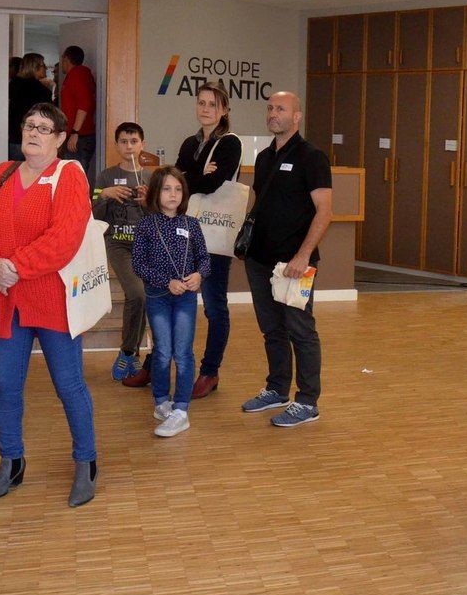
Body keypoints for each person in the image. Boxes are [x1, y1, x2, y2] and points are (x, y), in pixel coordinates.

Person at [0, 102, 98, 508]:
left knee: (69, 385)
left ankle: (86, 462)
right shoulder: (1, 174)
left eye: (44, 128)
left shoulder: (69, 175)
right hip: (5, 303)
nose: (34, 132)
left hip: (51, 300)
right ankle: (11, 461)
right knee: (4, 385)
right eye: (29, 125)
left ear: (60, 139)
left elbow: (64, 239)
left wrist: (14, 267)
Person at [240, 91, 332, 428]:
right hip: (259, 260)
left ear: (297, 117)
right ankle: (277, 388)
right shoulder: (264, 158)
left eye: (280, 108)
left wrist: (303, 254)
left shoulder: (312, 157)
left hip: (296, 263)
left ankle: (307, 401)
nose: (273, 113)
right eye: (269, 108)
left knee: (300, 330)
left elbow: (325, 211)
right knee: (272, 330)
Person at [174, 80, 243, 400]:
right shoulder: (190, 142)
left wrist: (193, 177)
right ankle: (163, 363)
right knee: (172, 299)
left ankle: (209, 371)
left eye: (212, 104)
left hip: (215, 236)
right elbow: (175, 183)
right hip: (184, 230)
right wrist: (198, 175)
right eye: (201, 103)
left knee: (214, 307)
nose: (205, 109)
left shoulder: (230, 143)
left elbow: (215, 184)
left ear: (224, 109)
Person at [131, 166, 211, 437]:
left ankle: (181, 410)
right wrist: (167, 282)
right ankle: (162, 402)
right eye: (167, 188)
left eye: (178, 189)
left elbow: (204, 259)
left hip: (186, 298)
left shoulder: (192, 224)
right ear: (156, 192)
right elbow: (138, 264)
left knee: (184, 353)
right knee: (163, 352)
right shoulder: (146, 225)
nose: (173, 194)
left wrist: (199, 275)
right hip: (158, 298)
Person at [93, 122, 150, 382]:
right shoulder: (105, 176)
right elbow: (92, 214)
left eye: (134, 141)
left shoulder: (151, 178)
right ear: (117, 145)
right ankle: (129, 351)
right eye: (124, 142)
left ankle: (131, 353)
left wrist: (149, 201)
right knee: (137, 293)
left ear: (142, 145)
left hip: (146, 245)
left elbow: (165, 215)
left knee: (140, 298)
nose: (129, 146)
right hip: (117, 243)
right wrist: (105, 194)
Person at [7, 53, 53, 161]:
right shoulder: (42, 91)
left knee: (15, 171)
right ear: (35, 67)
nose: (46, 68)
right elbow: (48, 117)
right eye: (43, 65)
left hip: (15, 137)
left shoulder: (13, 85)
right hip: (36, 138)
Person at [58, 45, 96, 172]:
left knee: (75, 175)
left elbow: (84, 104)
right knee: (73, 173)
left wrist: (75, 132)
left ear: (66, 58)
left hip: (80, 136)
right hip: (78, 135)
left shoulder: (77, 75)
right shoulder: (78, 75)